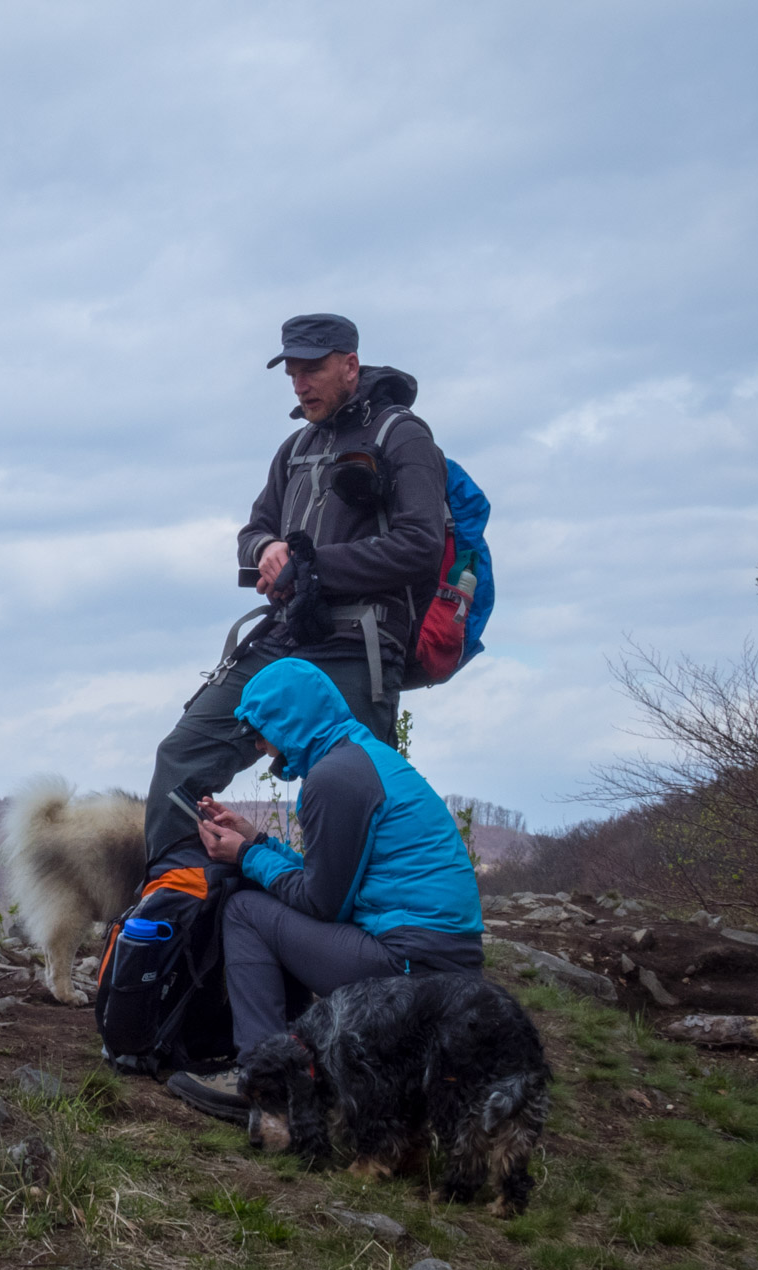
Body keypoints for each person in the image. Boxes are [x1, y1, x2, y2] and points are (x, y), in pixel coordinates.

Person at [142, 314, 447, 880]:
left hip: (359, 642)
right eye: (293, 372)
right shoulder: (295, 448)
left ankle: (355, 946)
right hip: (283, 639)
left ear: (350, 366)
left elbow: (422, 546)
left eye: (313, 370)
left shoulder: (403, 436)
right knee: (181, 757)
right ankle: (176, 910)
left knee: (349, 790)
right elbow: (252, 530)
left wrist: (313, 565)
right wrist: (268, 550)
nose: (301, 383)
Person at [163, 658, 485, 1121]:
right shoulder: (361, 758)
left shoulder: (334, 778)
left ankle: (262, 1079)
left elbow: (322, 903)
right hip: (444, 968)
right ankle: (303, 1059)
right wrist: (256, 841)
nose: (257, 744)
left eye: (259, 729)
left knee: (245, 909)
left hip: (409, 973)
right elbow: (334, 880)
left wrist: (244, 857)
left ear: (289, 720)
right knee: (271, 898)